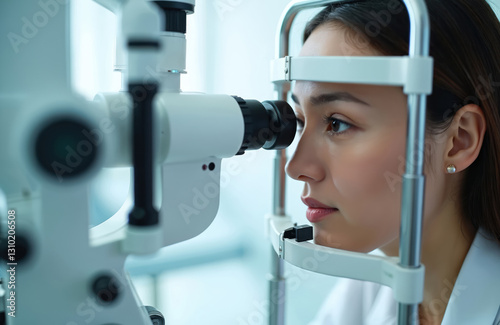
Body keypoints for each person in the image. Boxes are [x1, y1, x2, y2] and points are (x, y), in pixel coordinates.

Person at [284, 0, 500, 324]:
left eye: (337, 123)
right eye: (301, 120)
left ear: (459, 141)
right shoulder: (370, 286)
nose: (296, 167)